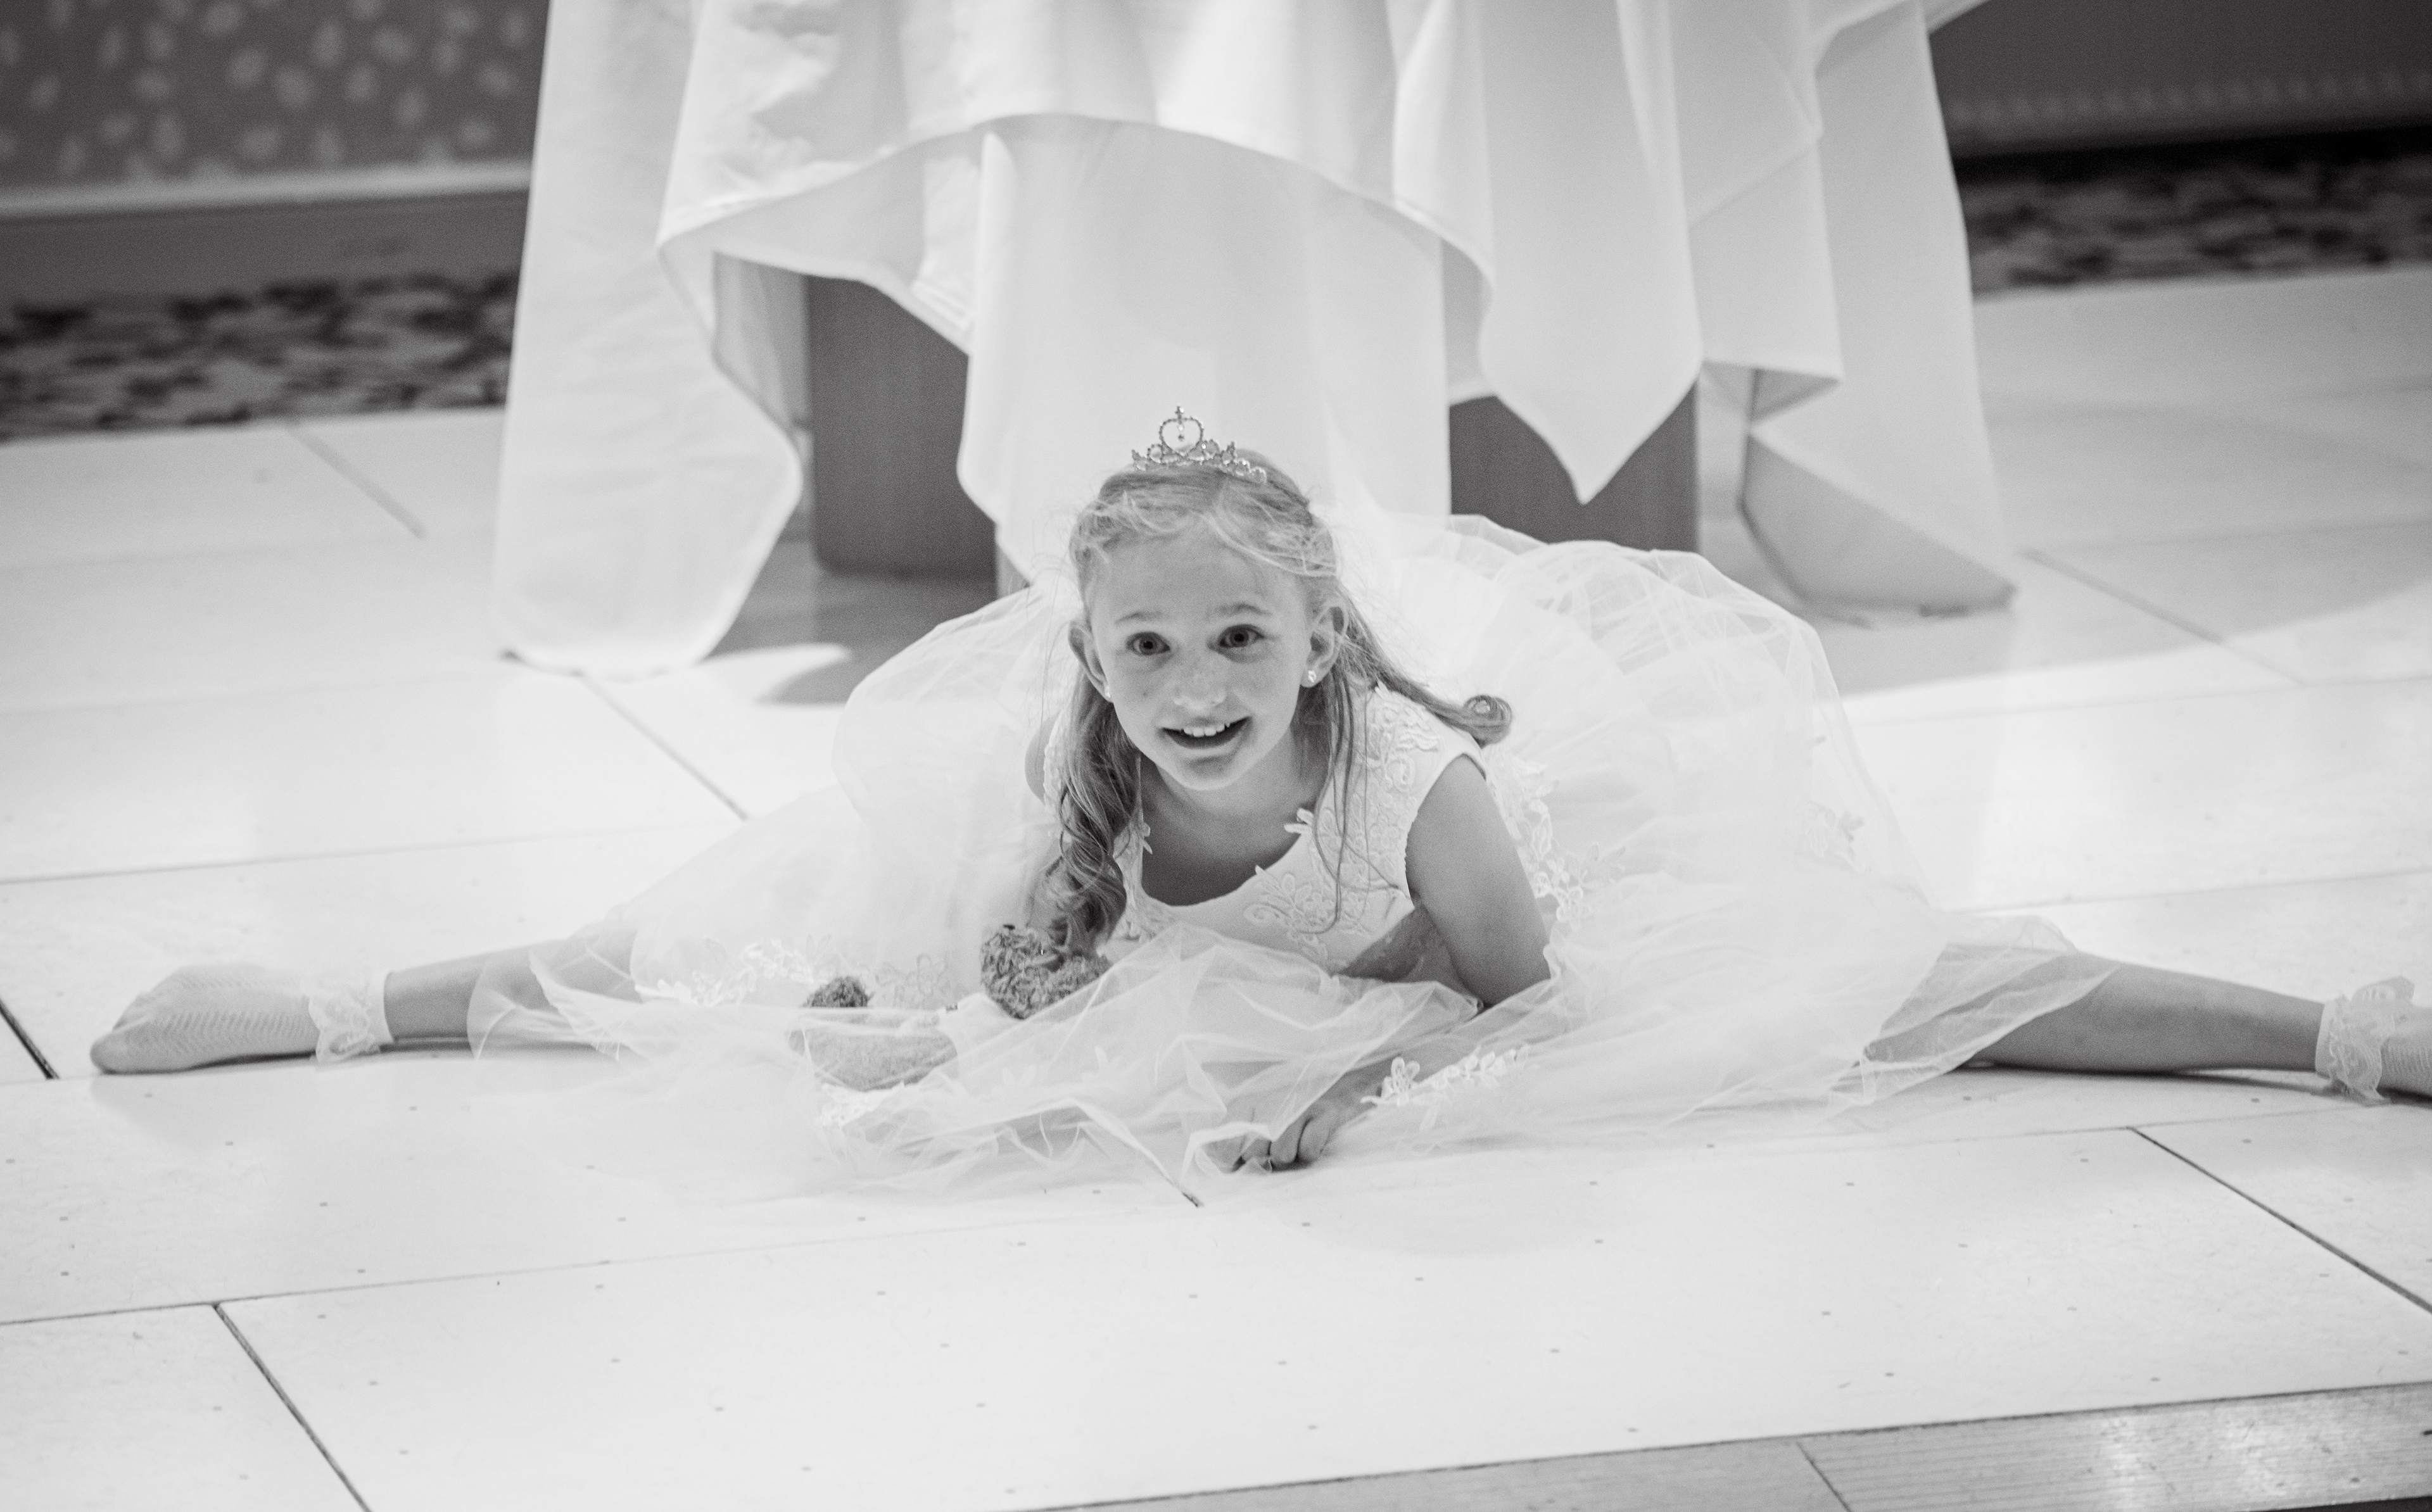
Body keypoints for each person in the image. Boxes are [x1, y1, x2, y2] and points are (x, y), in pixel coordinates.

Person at [91, 415, 2426, 1197]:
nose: (1195, 689)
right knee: (696, 955)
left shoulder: (1420, 785)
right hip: (1170, 935)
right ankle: (321, 999)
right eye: (1149, 649)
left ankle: (2333, 1026)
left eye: (1237, 641)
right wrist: (961, 1028)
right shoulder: (1080, 777)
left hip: (1470, 940)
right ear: (1094, 660)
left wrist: (1360, 1075)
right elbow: (1017, 987)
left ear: (1316, 642)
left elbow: (1529, 1000)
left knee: (1895, 986)